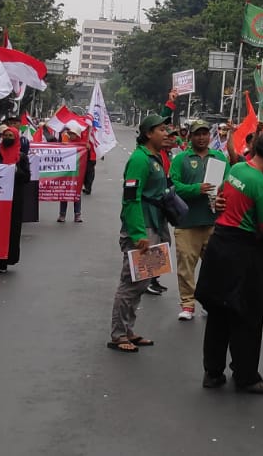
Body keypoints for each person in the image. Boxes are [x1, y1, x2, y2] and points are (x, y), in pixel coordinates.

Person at [196, 130, 263, 394]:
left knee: (218, 315)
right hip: (242, 251)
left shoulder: (238, 169)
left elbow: (221, 197)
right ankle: (246, 376)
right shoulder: (259, 184)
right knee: (246, 316)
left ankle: (213, 373)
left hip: (219, 244)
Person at [109, 112, 173, 353]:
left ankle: (128, 330)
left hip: (155, 224)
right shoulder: (139, 159)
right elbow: (130, 199)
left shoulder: (156, 157)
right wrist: (137, 234)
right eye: (162, 130)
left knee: (142, 281)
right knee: (131, 282)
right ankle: (117, 334)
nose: (166, 134)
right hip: (143, 227)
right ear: (148, 134)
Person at [168, 120, 224, 320]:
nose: (201, 137)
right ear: (189, 136)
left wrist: (221, 199)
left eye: (205, 133)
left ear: (210, 136)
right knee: (186, 267)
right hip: (186, 223)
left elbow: (226, 185)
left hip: (213, 222)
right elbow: (173, 186)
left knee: (215, 267)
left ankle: (209, 302)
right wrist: (196, 189)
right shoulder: (181, 159)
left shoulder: (218, 157)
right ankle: (187, 304)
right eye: (197, 134)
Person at [0, 123, 31, 274]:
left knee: (10, 230)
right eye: (5, 136)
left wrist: (15, 170)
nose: (7, 138)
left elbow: (26, 178)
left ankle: (4, 261)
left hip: (14, 199)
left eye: (10, 136)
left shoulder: (21, 158)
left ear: (16, 138)